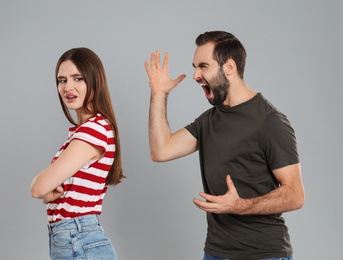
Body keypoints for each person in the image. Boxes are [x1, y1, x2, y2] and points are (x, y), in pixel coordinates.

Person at [144, 31, 305, 260]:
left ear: (229, 67)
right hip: (215, 253)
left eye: (203, 66)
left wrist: (239, 205)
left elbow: (296, 195)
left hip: (263, 254)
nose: (195, 75)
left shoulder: (270, 121)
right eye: (194, 67)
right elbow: (161, 151)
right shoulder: (208, 120)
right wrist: (158, 94)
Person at [31, 47, 124, 260]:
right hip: (74, 236)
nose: (67, 87)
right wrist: (48, 194)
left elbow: (38, 188)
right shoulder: (84, 131)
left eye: (78, 78)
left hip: (77, 236)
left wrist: (44, 189)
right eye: (61, 80)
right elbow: (49, 192)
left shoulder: (95, 129)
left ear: (94, 81)